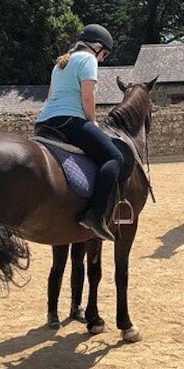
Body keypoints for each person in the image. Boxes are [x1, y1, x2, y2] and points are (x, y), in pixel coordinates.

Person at [36, 24, 122, 242]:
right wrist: (92, 122)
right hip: (69, 121)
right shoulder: (88, 60)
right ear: (96, 47)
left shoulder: (59, 65)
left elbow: (50, 96)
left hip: (44, 122)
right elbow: (87, 97)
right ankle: (95, 214)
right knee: (114, 157)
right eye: (104, 54)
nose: (102, 59)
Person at [47, 242, 87, 329]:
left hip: (80, 230)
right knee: (58, 265)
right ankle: (52, 311)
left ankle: (76, 306)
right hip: (62, 231)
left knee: (79, 262)